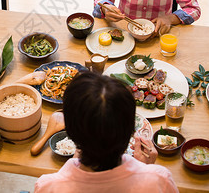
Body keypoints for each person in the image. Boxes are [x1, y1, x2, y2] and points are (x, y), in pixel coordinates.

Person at [35, 72, 178, 193]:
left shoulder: (47, 187)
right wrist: (146, 170)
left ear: (70, 133)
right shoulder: (159, 180)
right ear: (131, 130)